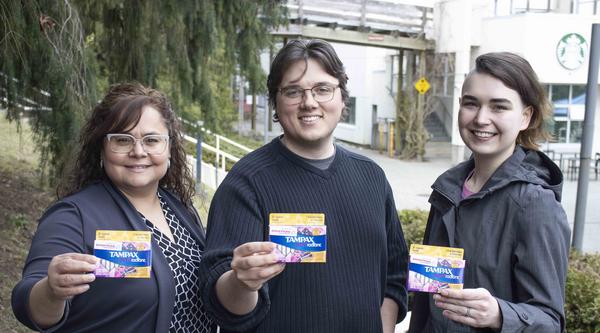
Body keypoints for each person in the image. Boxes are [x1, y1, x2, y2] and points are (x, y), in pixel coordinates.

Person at [199, 39, 408, 333]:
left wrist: (383, 327)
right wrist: (241, 282)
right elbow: (220, 300)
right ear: (275, 101)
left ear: (342, 98)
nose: (309, 102)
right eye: (293, 91)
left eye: (323, 89)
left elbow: (395, 276)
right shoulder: (247, 182)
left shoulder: (372, 177)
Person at [12, 83, 216, 332]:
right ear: (102, 148)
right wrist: (52, 291)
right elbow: (27, 304)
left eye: (152, 140)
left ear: (170, 149)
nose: (138, 151)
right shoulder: (74, 216)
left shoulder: (181, 208)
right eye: (122, 140)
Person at [408, 52, 570, 332]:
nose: (481, 118)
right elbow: (426, 299)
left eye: (499, 107)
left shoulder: (535, 204)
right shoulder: (446, 191)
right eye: (471, 104)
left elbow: (550, 321)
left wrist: (499, 314)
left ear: (525, 117)